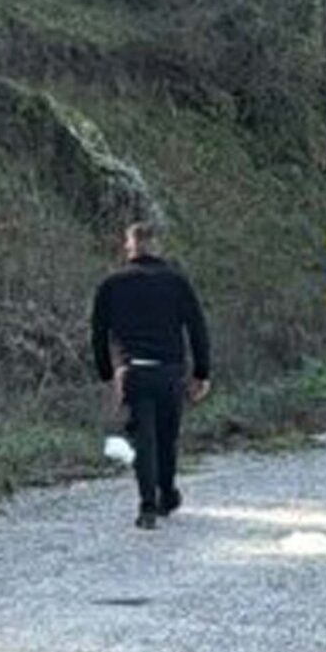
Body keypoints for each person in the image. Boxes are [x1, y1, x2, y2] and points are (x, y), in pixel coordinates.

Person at [90, 220, 212, 529]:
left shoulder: (111, 284)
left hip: (133, 373)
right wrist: (201, 372)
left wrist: (107, 374)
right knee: (166, 439)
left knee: (142, 441)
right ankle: (167, 494)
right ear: (157, 246)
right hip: (169, 372)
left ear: (129, 246)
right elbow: (197, 328)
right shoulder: (177, 282)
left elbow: (98, 333)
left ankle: (147, 505)